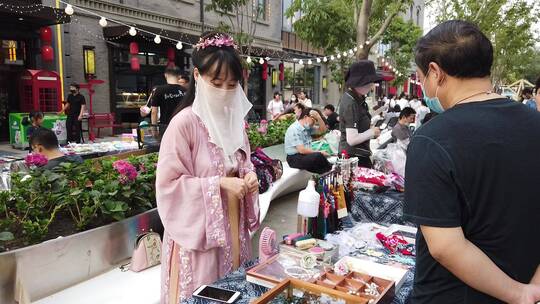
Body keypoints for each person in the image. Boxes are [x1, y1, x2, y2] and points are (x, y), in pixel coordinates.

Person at [404, 20, 540, 304]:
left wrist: (520, 294)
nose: (423, 87)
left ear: (435, 72)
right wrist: (533, 286)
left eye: (420, 78)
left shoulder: (432, 139)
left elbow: (445, 246)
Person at [155, 32, 260, 303]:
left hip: (233, 226)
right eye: (217, 82)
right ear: (198, 77)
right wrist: (219, 183)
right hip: (200, 236)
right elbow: (169, 185)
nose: (224, 91)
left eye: (231, 84)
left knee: (234, 288)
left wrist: (249, 177)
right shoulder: (184, 124)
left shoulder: (234, 122)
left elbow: (244, 161)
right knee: (204, 291)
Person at [338, 60, 382, 168]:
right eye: (369, 82)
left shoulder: (357, 99)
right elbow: (352, 140)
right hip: (352, 158)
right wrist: (372, 132)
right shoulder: (351, 103)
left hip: (357, 155)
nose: (371, 85)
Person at [284, 108, 331, 174]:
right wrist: (320, 152)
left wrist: (319, 117)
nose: (314, 123)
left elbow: (323, 130)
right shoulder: (294, 129)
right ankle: (329, 171)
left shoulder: (307, 128)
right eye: (314, 120)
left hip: (303, 156)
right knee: (318, 156)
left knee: (319, 158)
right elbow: (301, 150)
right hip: (294, 158)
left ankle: (328, 171)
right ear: (306, 117)